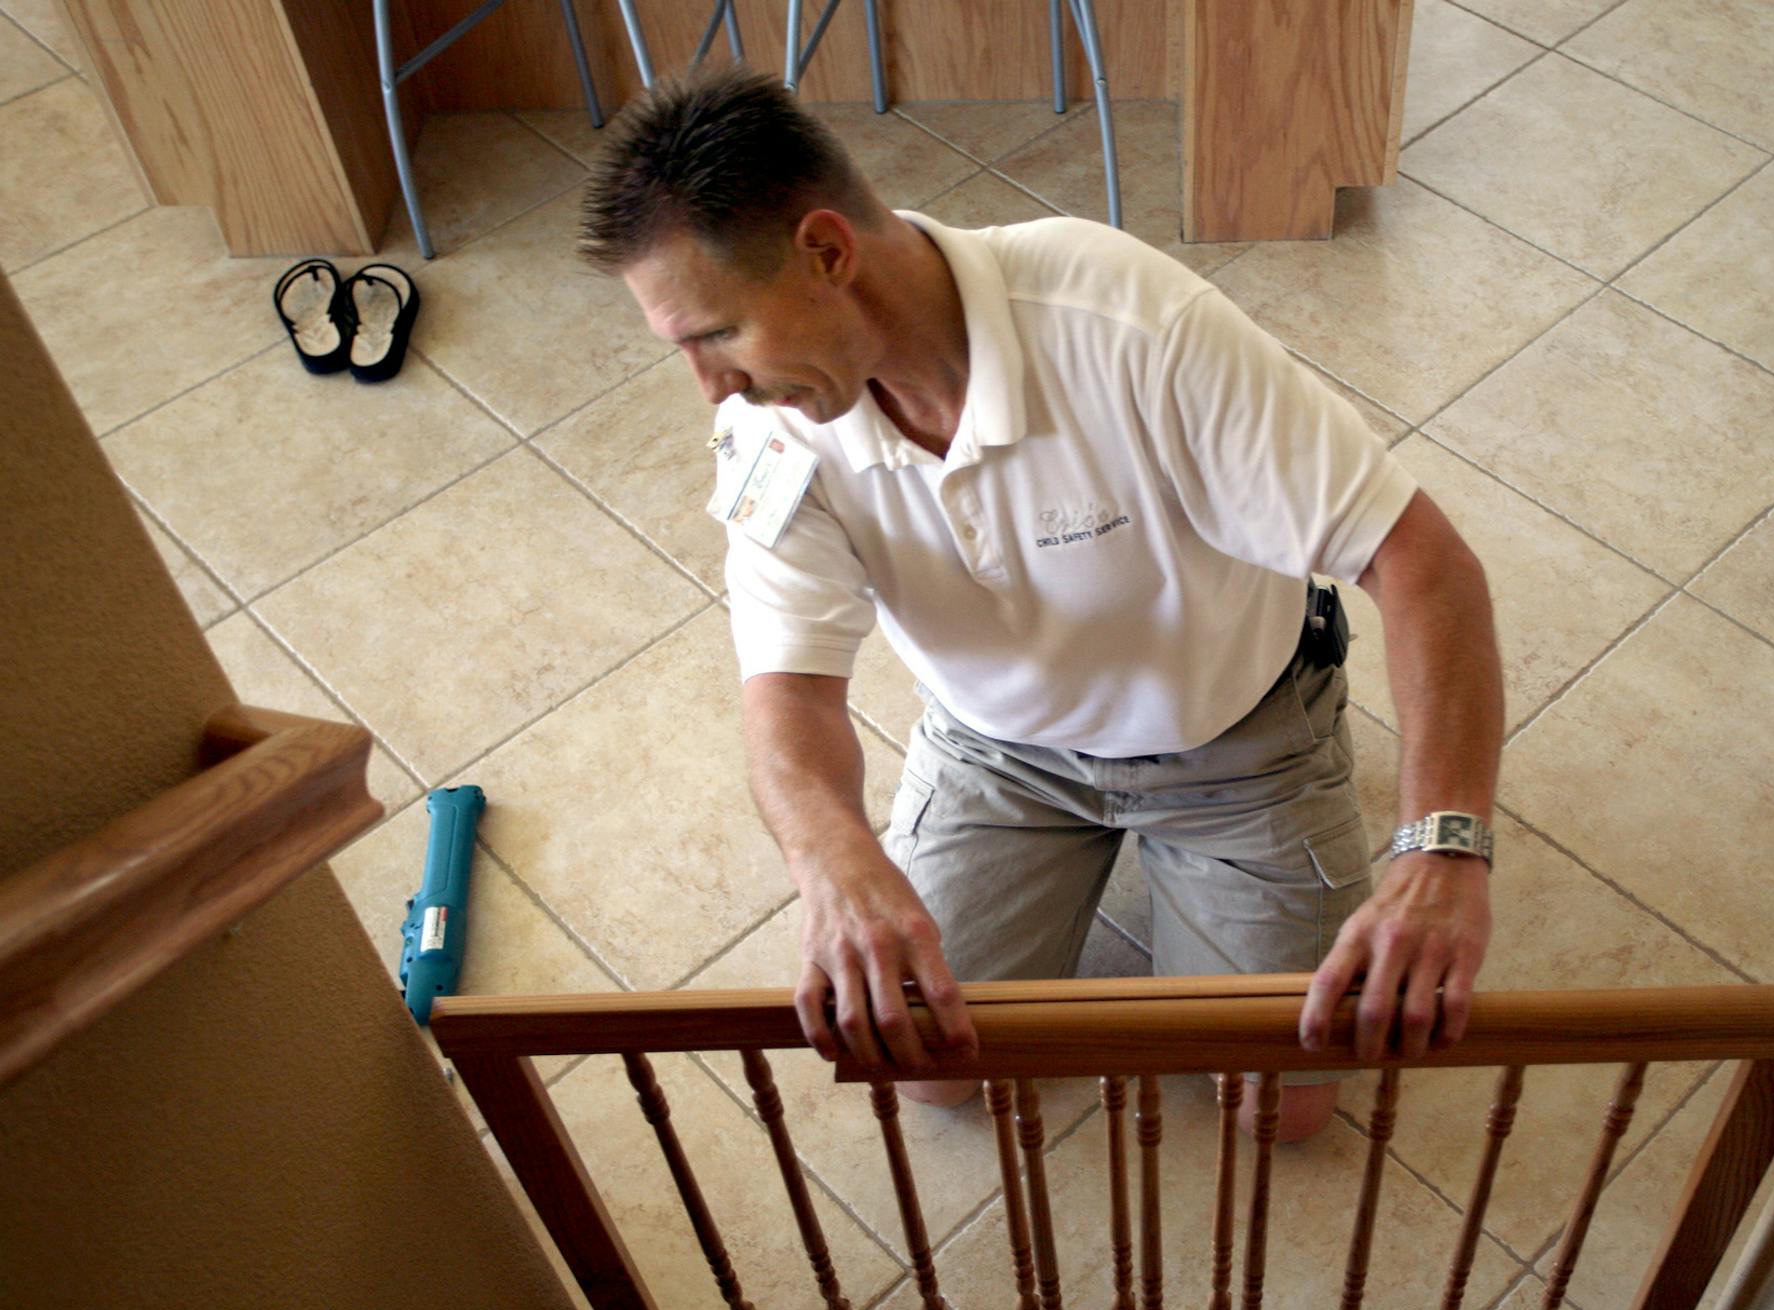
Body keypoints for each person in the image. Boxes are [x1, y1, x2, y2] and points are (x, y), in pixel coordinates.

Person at [580, 68, 1503, 1143]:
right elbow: (786, 691)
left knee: (1278, 1109)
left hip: (1236, 738)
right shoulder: (774, 429)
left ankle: (1234, 849)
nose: (711, 385)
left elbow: (1427, 563)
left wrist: (1444, 850)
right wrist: (829, 859)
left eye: (717, 334)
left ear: (827, 253)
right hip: (999, 751)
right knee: (920, 1063)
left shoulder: (1125, 321)